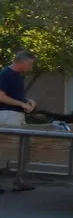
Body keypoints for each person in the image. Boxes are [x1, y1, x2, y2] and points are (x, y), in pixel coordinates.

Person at [0, 50, 39, 193]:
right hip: (7, 115)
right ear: (21, 62)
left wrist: (28, 101)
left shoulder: (17, 76)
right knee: (5, 149)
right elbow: (1, 96)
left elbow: (15, 95)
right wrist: (21, 104)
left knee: (19, 150)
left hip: (15, 115)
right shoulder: (6, 74)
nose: (30, 67)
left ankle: (19, 181)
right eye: (29, 64)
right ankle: (18, 181)